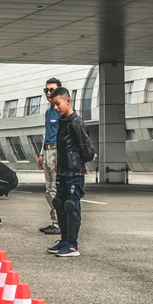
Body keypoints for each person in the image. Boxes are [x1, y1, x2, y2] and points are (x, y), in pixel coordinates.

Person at [46, 87, 96, 258]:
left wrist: (84, 158)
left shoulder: (76, 122)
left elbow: (87, 150)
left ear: (68, 101)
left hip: (74, 173)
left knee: (71, 206)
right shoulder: (63, 122)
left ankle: (73, 245)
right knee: (59, 203)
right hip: (62, 172)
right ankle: (65, 240)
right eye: (53, 105)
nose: (55, 108)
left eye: (57, 104)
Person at [36, 77, 62, 235]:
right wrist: (41, 153)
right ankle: (54, 221)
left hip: (57, 151)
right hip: (47, 150)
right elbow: (48, 134)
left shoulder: (61, 112)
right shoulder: (48, 112)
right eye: (46, 90)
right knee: (48, 191)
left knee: (54, 190)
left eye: (52, 89)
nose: (48, 93)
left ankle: (59, 223)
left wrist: (61, 156)